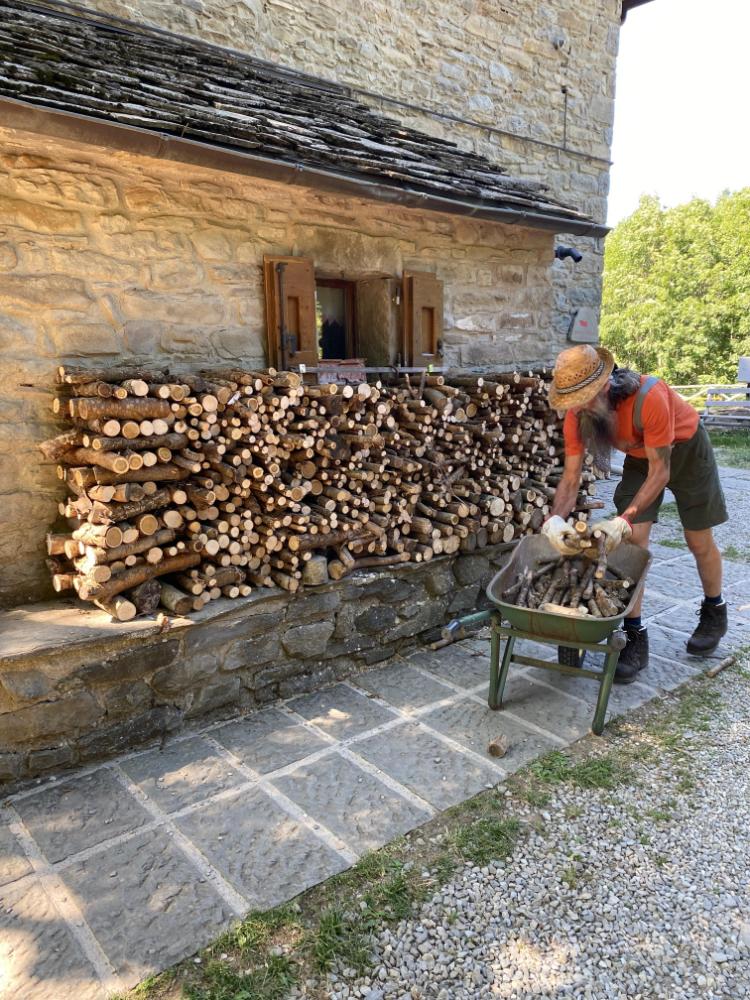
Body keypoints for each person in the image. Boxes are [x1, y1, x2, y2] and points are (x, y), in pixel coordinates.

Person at [541, 344, 728, 684]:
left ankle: (715, 609)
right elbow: (570, 478)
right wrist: (554, 519)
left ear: (604, 386)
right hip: (643, 457)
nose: (578, 407)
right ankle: (634, 635)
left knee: (698, 540)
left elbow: (662, 472)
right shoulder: (578, 413)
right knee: (634, 543)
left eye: (584, 397)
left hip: (685, 451)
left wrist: (622, 518)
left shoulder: (649, 397)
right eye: (573, 401)